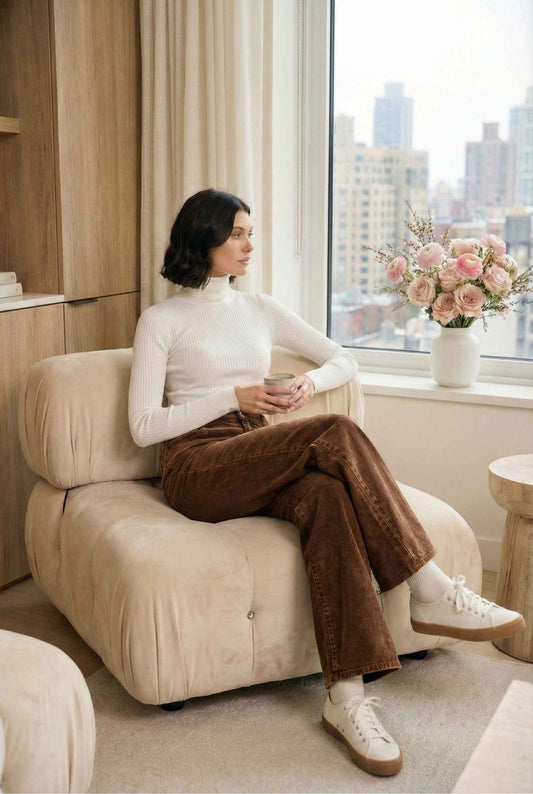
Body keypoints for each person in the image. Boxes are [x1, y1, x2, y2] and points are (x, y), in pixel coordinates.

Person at [129, 188, 525, 778]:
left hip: (256, 444)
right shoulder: (160, 320)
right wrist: (229, 396)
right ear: (203, 237)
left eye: (250, 231)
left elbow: (343, 358)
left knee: (329, 496)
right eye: (236, 232)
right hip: (196, 462)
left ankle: (347, 699)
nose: (249, 244)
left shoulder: (259, 308)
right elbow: (142, 428)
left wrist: (306, 388)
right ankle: (429, 586)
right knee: (334, 433)